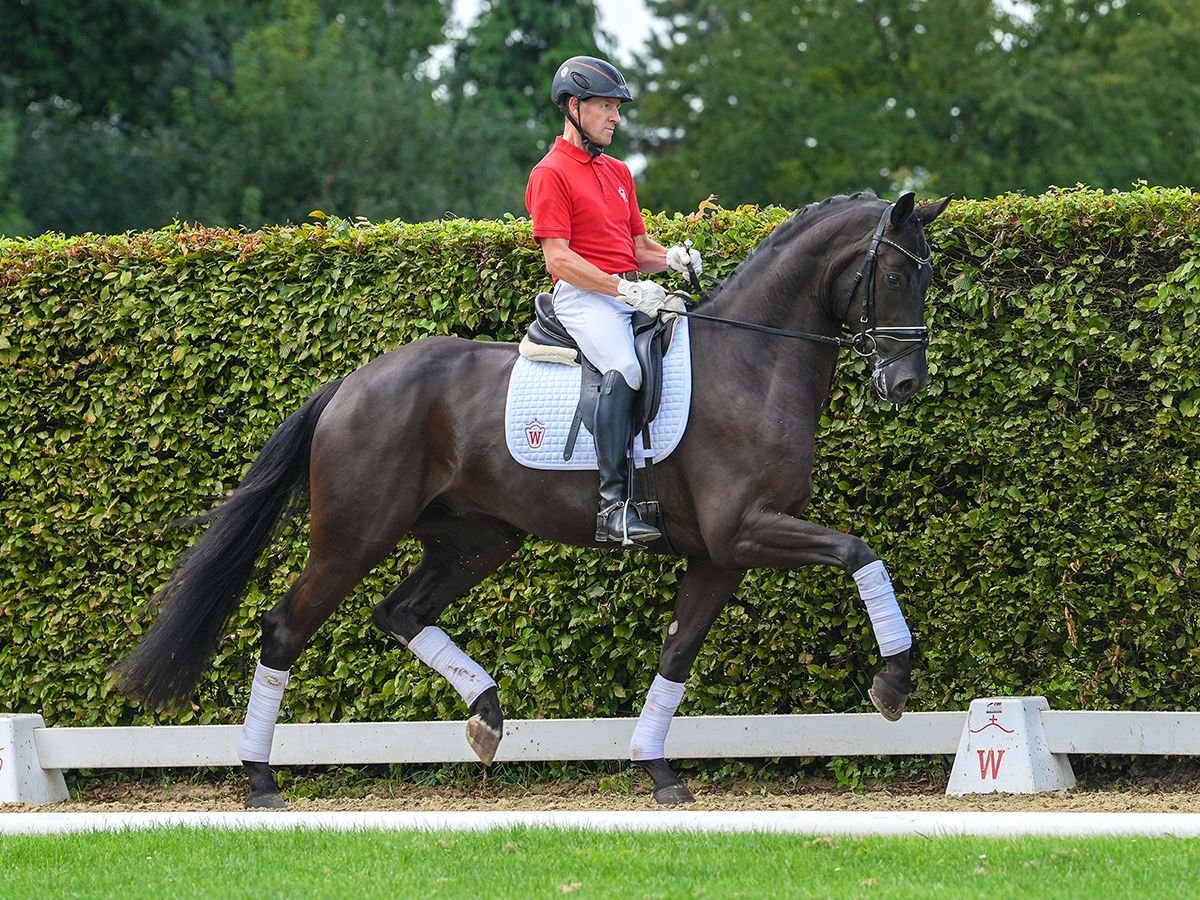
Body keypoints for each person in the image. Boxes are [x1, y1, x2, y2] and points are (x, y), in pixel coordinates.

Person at [525, 55, 703, 545]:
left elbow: (638, 250)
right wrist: (622, 288)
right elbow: (558, 260)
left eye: (617, 108)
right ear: (574, 107)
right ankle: (612, 508)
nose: (616, 117)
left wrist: (674, 259)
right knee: (625, 367)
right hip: (584, 299)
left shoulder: (620, 173)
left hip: (627, 293)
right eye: (606, 107)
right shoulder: (550, 173)